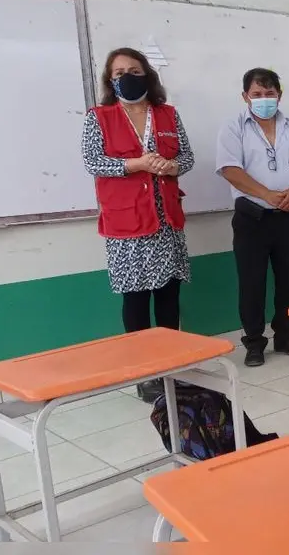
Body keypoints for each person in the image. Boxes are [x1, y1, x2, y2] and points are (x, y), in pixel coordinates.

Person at [82, 47, 195, 403]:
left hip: (166, 222)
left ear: (146, 73)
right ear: (109, 80)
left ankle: (170, 366)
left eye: (133, 70)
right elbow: (93, 161)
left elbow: (186, 157)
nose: (126, 76)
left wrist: (171, 166)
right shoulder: (99, 117)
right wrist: (136, 164)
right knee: (136, 299)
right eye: (118, 73)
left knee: (168, 296)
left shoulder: (167, 114)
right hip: (127, 225)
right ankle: (144, 373)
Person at [216, 68, 289, 367]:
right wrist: (266, 194)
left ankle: (285, 336)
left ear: (279, 95)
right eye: (257, 94)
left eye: (269, 94)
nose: (264, 99)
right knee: (252, 282)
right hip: (252, 217)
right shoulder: (233, 127)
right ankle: (254, 343)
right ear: (245, 96)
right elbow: (229, 169)